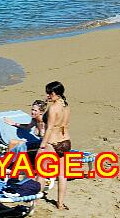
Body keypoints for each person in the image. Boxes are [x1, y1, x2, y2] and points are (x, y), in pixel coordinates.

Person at [38, 81, 72, 210]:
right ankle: (60, 203)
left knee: (41, 172)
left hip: (52, 142)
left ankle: (34, 202)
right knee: (62, 174)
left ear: (54, 93)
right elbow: (64, 124)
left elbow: (50, 128)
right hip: (66, 141)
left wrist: (42, 144)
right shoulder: (66, 106)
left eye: (49, 93)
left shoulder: (53, 108)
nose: (47, 95)